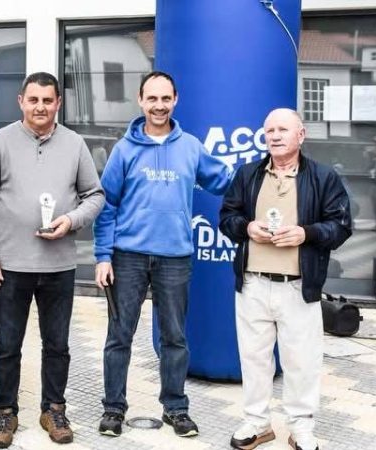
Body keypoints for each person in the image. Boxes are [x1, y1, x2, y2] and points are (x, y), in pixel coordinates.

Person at [93, 71, 232, 439]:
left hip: (175, 259)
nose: (159, 105)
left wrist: (263, 172)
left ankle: (175, 408)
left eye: (165, 98)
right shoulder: (124, 150)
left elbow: (224, 180)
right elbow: (107, 205)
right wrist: (103, 256)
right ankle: (113, 409)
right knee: (119, 336)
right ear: (141, 101)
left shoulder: (191, 147)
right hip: (128, 257)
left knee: (174, 338)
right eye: (152, 98)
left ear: (175, 100)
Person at [0, 71, 105, 448]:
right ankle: (5, 411)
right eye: (33, 100)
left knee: (57, 344)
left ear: (58, 103)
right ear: (21, 101)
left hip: (59, 266)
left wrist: (71, 220)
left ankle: (54, 409)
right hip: (10, 266)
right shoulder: (0, 142)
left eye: (48, 100)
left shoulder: (74, 144)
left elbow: (95, 195)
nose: (40, 107)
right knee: (8, 344)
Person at [219, 108, 352, 450]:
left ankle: (301, 427)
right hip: (253, 283)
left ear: (301, 135)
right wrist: (247, 227)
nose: (275, 136)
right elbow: (227, 217)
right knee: (254, 358)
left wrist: (306, 233)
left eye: (283, 129)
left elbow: (341, 226)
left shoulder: (323, 177)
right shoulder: (248, 174)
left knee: (302, 361)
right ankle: (257, 422)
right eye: (270, 130)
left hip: (298, 286)